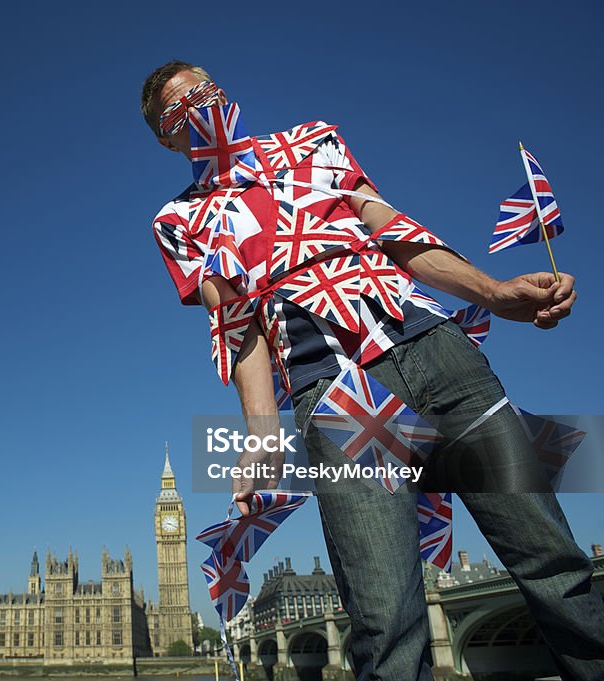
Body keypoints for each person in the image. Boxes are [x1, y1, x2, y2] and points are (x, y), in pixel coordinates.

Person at [143, 60, 604, 680]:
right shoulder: (179, 221)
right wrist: (260, 434)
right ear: (169, 138)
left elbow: (393, 230)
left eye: (208, 87)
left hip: (436, 349)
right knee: (386, 622)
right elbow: (237, 325)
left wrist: (492, 292)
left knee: (555, 565)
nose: (204, 102)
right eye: (183, 104)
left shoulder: (314, 141)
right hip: (338, 395)